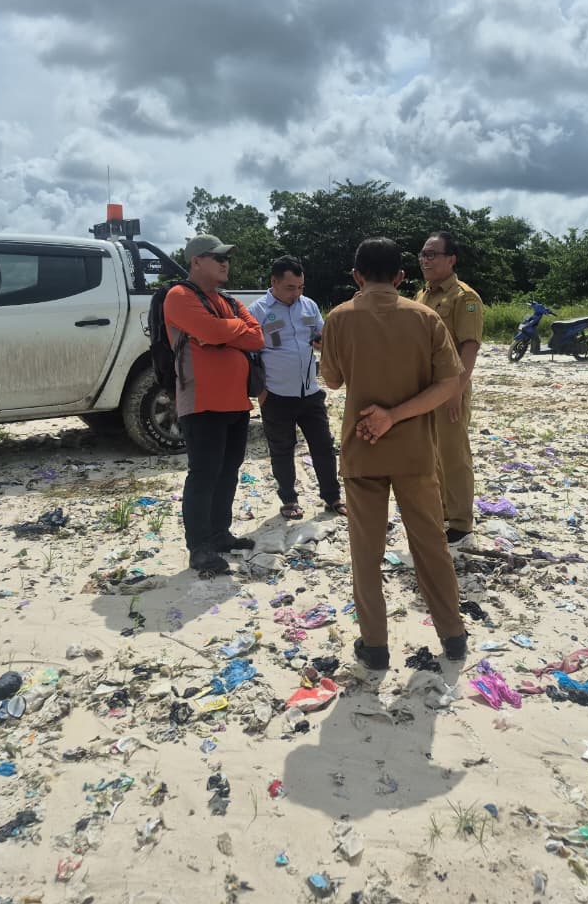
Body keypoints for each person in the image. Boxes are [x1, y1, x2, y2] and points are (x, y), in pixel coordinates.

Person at [320, 237, 469, 670]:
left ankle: (376, 646)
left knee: (365, 554)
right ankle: (453, 635)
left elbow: (331, 380)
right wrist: (397, 414)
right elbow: (448, 384)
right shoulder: (424, 317)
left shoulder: (340, 318)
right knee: (431, 546)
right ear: (402, 277)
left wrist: (380, 415)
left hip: (362, 450)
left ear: (356, 276)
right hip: (416, 453)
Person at [164, 234, 264, 575]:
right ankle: (200, 547)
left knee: (228, 471)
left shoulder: (230, 302)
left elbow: (257, 336)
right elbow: (223, 331)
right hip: (202, 402)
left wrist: (221, 332)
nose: (225, 263)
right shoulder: (178, 296)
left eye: (227, 257)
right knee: (204, 474)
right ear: (195, 262)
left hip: (236, 402)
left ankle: (220, 534)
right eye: (216, 257)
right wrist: (226, 331)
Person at [248, 255, 345, 520]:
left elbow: (319, 336)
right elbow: (251, 356)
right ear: (274, 282)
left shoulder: (309, 306)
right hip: (276, 395)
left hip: (310, 392)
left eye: (300, 287)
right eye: (290, 288)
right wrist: (262, 393)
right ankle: (289, 500)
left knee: (324, 445)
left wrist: (326, 342)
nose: (296, 293)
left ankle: (332, 497)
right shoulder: (257, 311)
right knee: (282, 449)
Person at [414, 231, 483, 547]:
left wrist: (457, 389)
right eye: (423, 255)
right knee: (431, 454)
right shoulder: (422, 295)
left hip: (449, 387)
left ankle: (460, 523)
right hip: (423, 390)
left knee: (454, 454)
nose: (425, 260)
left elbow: (469, 348)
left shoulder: (465, 298)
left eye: (432, 254)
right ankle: (441, 511)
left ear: (451, 259)